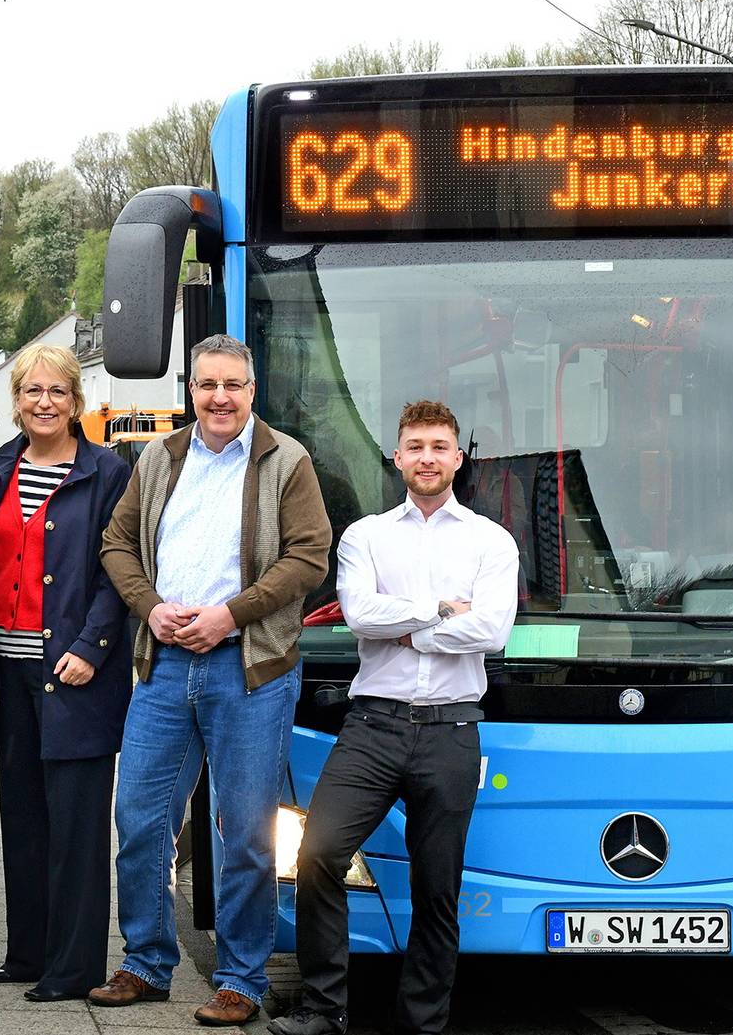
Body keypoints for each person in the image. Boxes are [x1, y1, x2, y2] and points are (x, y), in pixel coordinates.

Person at [90, 334, 332, 1027]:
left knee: (247, 833)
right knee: (138, 818)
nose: (219, 397)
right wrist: (151, 606)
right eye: (206, 384)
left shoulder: (288, 459)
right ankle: (145, 962)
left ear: (252, 390)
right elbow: (116, 542)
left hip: (249, 669)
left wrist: (231, 614)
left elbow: (308, 557)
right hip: (164, 667)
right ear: (190, 390)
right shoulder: (159, 457)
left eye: (232, 384)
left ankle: (242, 979)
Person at [270, 401, 518, 1035]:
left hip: (451, 729)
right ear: (397, 457)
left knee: (438, 889)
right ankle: (325, 1011)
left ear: (459, 457)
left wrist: (410, 629)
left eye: (439, 446)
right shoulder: (366, 536)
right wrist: (438, 610)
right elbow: (358, 616)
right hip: (372, 728)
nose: (427, 457)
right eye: (415, 445)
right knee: (319, 854)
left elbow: (492, 631)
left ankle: (421, 1024)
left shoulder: (491, 540)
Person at [0, 344, 134, 1002]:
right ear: (15, 400)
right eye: (31, 390)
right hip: (12, 674)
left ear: (78, 401)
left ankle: (72, 967)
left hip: (74, 673)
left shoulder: (107, 472)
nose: (44, 401)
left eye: (57, 391)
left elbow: (117, 568)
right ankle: (28, 952)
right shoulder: (1, 465)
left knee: (76, 824)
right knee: (23, 818)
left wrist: (93, 647)